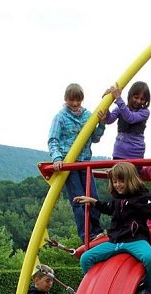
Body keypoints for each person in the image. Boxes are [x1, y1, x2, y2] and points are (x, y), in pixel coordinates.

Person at [74, 162, 151, 294]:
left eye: (121, 181)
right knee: (86, 258)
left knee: (149, 258)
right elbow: (110, 207)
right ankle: (96, 288)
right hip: (115, 241)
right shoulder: (117, 197)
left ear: (131, 180)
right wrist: (94, 202)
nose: (118, 185)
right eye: (115, 181)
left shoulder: (142, 198)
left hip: (135, 240)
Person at [48, 83, 107, 242]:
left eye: (78, 100)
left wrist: (101, 124)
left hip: (85, 163)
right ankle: (86, 235)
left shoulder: (88, 115)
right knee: (79, 200)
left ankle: (97, 230)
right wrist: (57, 158)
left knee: (93, 197)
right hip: (70, 165)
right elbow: (53, 140)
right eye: (71, 100)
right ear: (65, 99)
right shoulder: (60, 117)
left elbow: (95, 138)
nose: (75, 104)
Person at [102, 81, 150, 160]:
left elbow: (130, 118)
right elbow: (109, 120)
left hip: (135, 154)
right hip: (119, 153)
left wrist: (118, 98)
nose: (138, 101)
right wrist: (106, 102)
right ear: (130, 95)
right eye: (136, 97)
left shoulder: (144, 112)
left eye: (142, 99)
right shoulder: (120, 108)